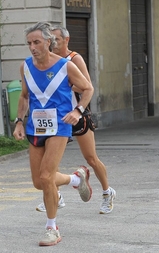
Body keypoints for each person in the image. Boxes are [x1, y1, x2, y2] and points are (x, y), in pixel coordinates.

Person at [13, 22, 94, 246]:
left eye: (37, 42)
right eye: (29, 43)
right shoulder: (26, 67)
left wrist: (78, 111)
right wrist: (19, 122)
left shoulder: (66, 66)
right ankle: (75, 179)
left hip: (60, 125)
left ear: (49, 42)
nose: (32, 47)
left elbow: (88, 88)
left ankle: (52, 228)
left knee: (47, 177)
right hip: (36, 127)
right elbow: (24, 95)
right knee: (39, 182)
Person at [34, 25, 116, 215]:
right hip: (56, 117)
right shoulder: (49, 61)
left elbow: (86, 86)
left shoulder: (74, 59)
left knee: (91, 158)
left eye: (57, 40)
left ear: (66, 40)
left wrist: (65, 84)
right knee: (50, 161)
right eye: (50, 40)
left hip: (77, 115)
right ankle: (56, 196)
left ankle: (107, 192)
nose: (53, 44)